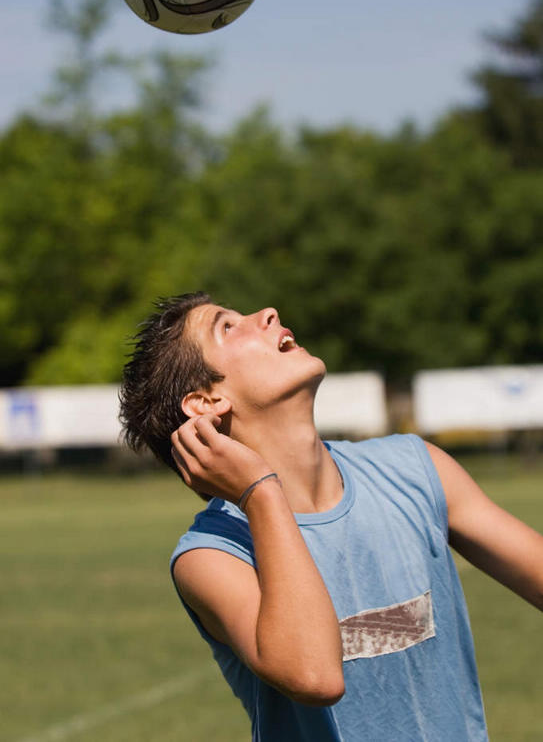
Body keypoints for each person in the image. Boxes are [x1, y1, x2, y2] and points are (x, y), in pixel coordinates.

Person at [119, 291, 543, 742]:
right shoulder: (211, 556)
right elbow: (315, 676)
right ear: (205, 402)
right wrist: (261, 493)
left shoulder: (417, 467)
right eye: (226, 327)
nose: (268, 313)